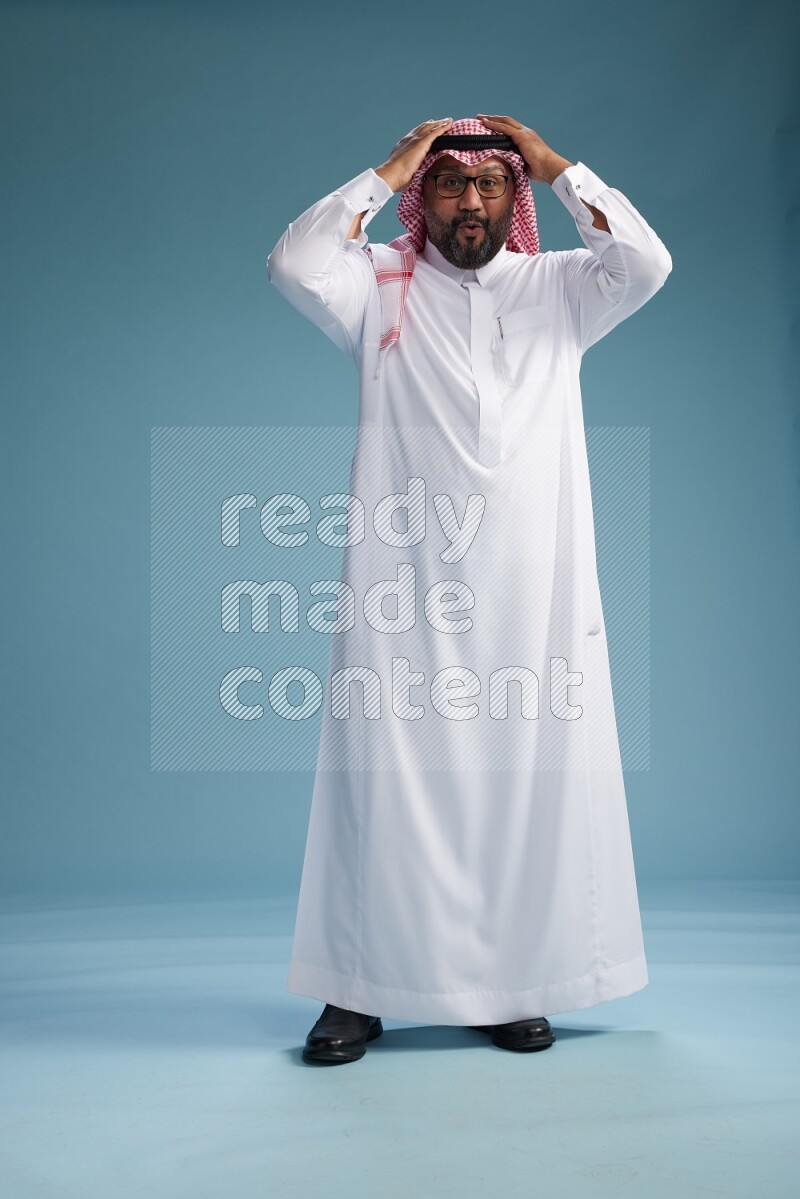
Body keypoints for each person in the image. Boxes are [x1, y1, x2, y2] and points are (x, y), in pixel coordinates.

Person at [267, 115, 672, 1066]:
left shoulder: (561, 286)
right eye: (450, 187)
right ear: (426, 199)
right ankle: (358, 992)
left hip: (535, 587)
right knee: (386, 780)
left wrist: (557, 165)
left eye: (492, 186)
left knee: (524, 782)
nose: (472, 204)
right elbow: (292, 265)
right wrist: (390, 166)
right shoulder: (377, 286)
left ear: (515, 198)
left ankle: (514, 982)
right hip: (402, 582)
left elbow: (646, 263)